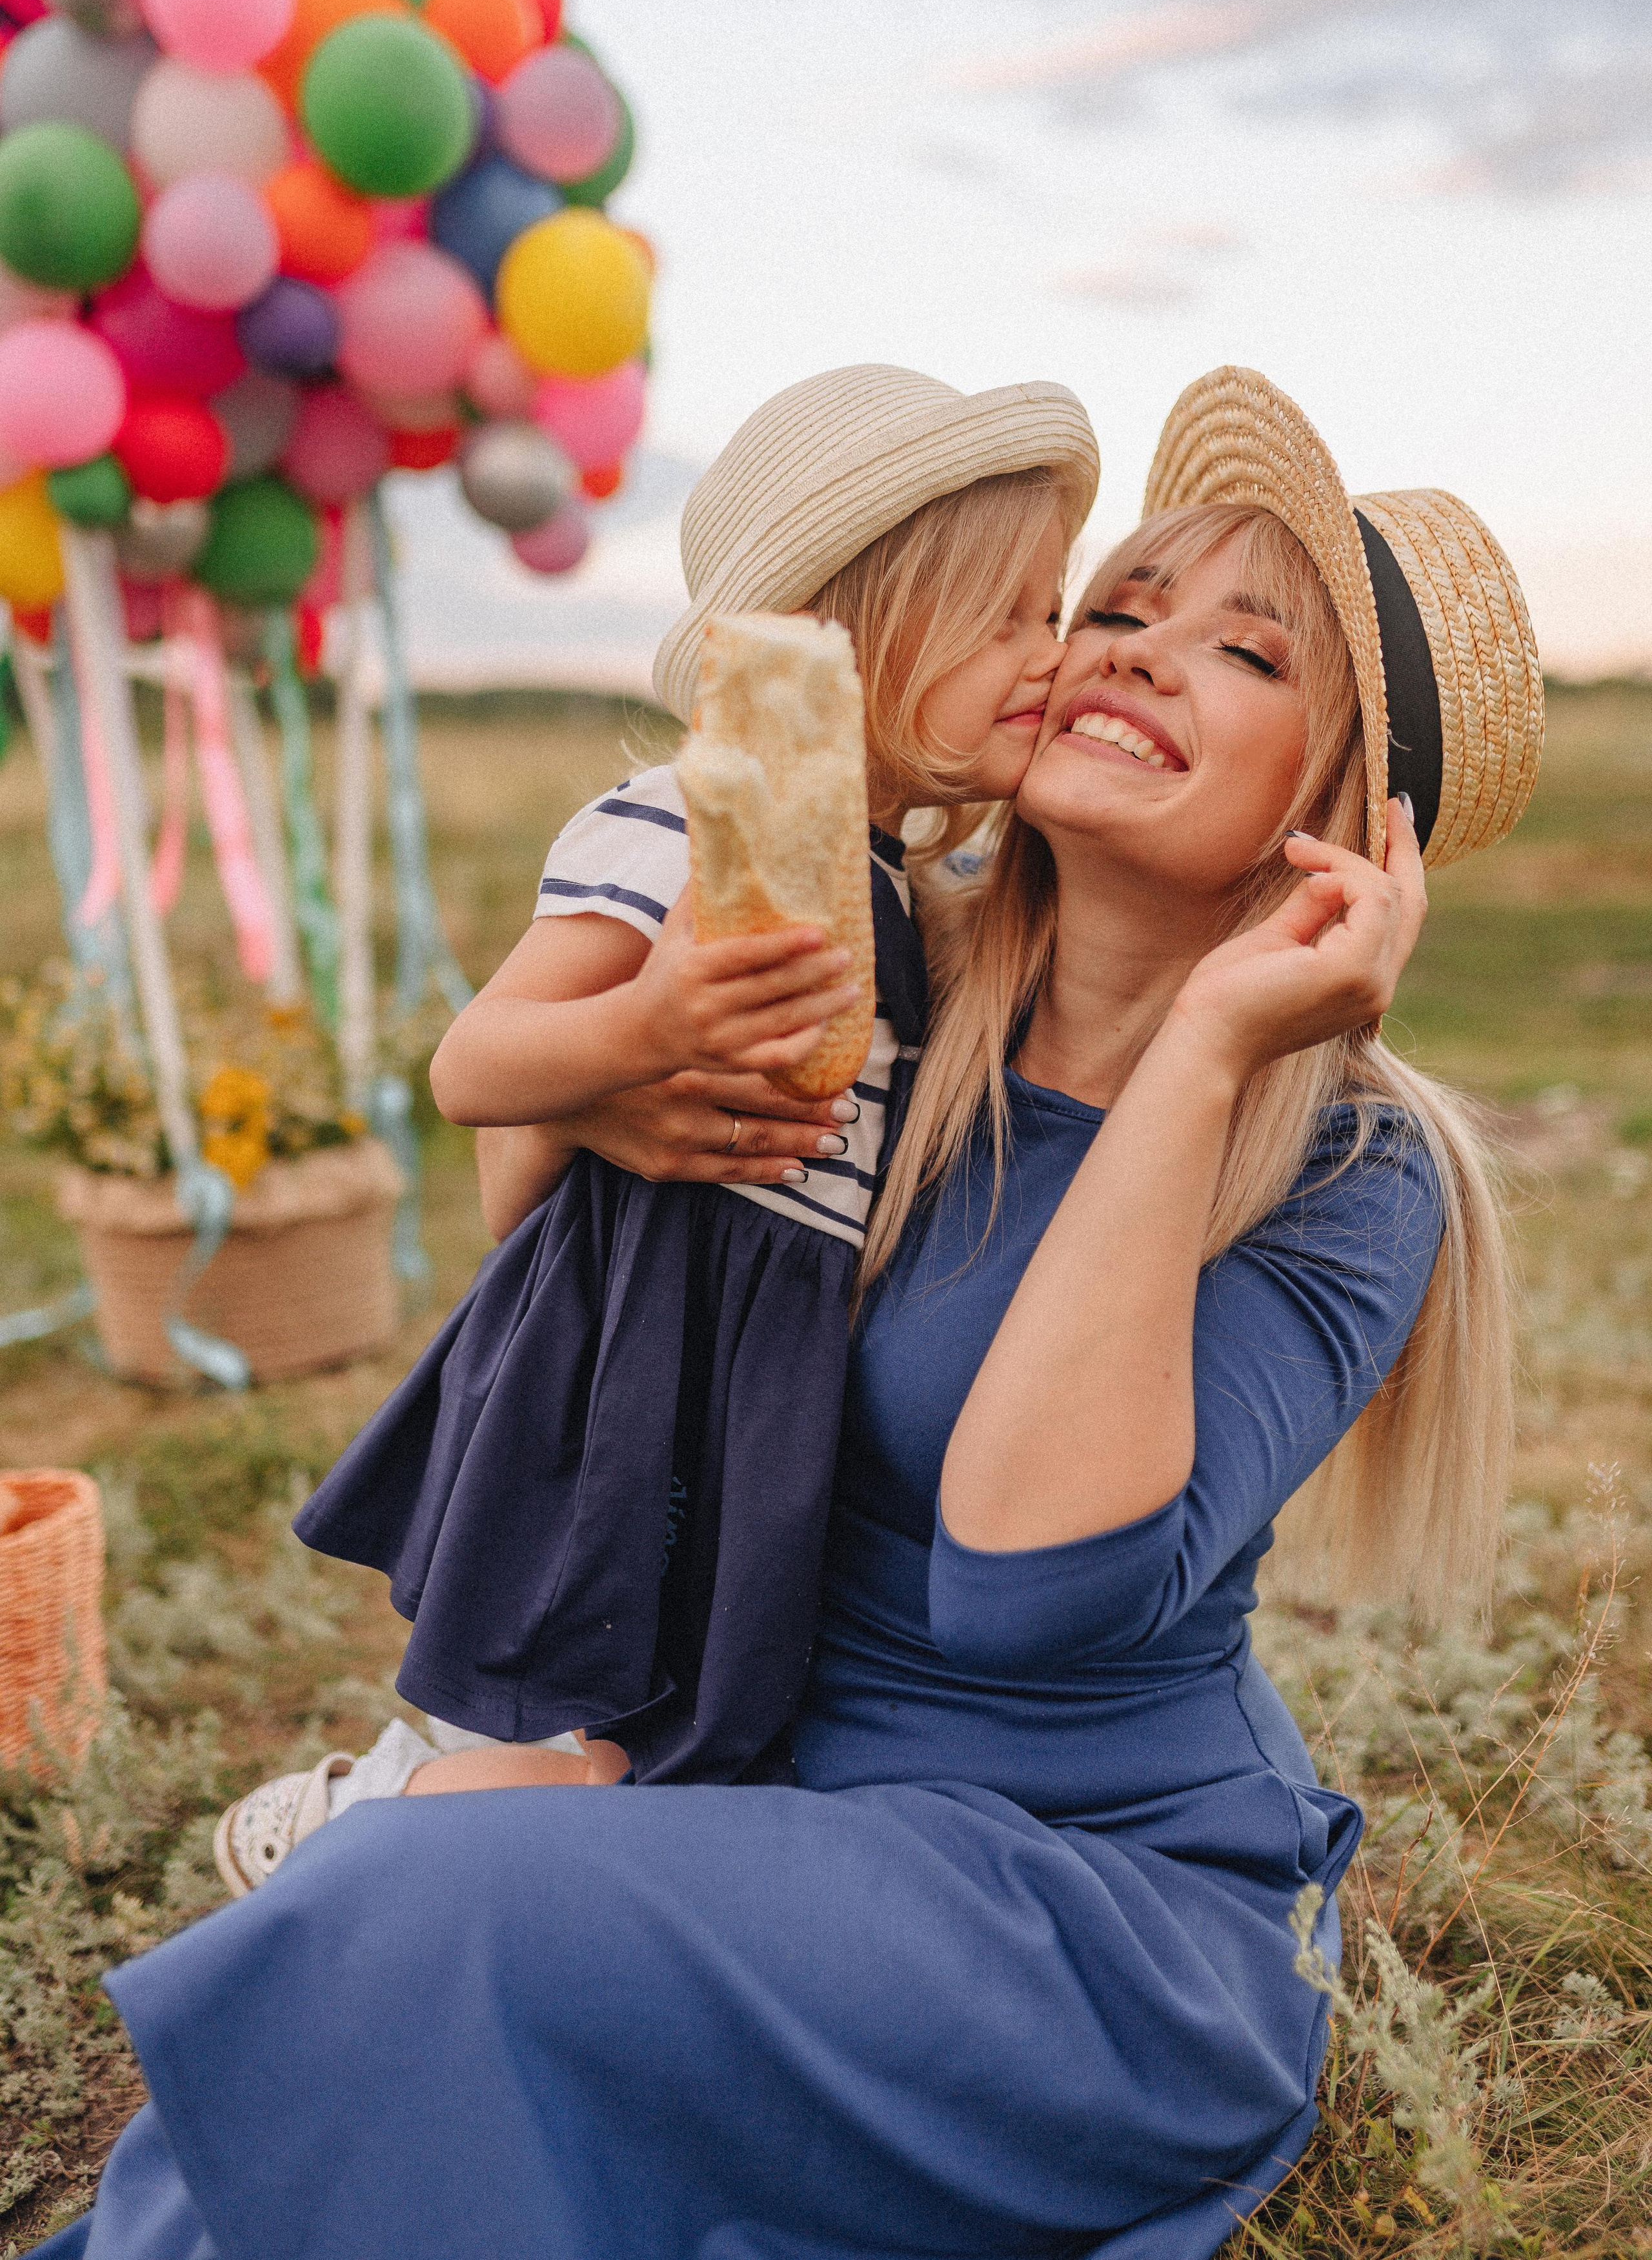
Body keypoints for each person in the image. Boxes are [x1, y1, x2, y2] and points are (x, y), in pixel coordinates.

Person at [39, 368, 1544, 2260]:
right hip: (754, 1786)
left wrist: (1214, 1042)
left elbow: (1021, 1568)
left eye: (1244, 650)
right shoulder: (880, 976)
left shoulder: (1347, 1174)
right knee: (370, 1991)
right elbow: (566, 1247)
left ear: (1346, 811)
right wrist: (609, 1075)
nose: (1136, 655)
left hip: (1077, 1915)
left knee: (427, 1912)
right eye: (1122, 606)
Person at [215, 365, 1099, 1891]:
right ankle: (366, 1826)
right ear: (851, 637)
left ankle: (453, 1837)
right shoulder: (681, 820)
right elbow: (474, 1063)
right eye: (1007, 616)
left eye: (1055, 604)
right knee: (580, 1667)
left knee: (698, 1695)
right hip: (639, 1323)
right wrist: (642, 1034)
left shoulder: (900, 882)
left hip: (775, 1335)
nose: (1053, 649)